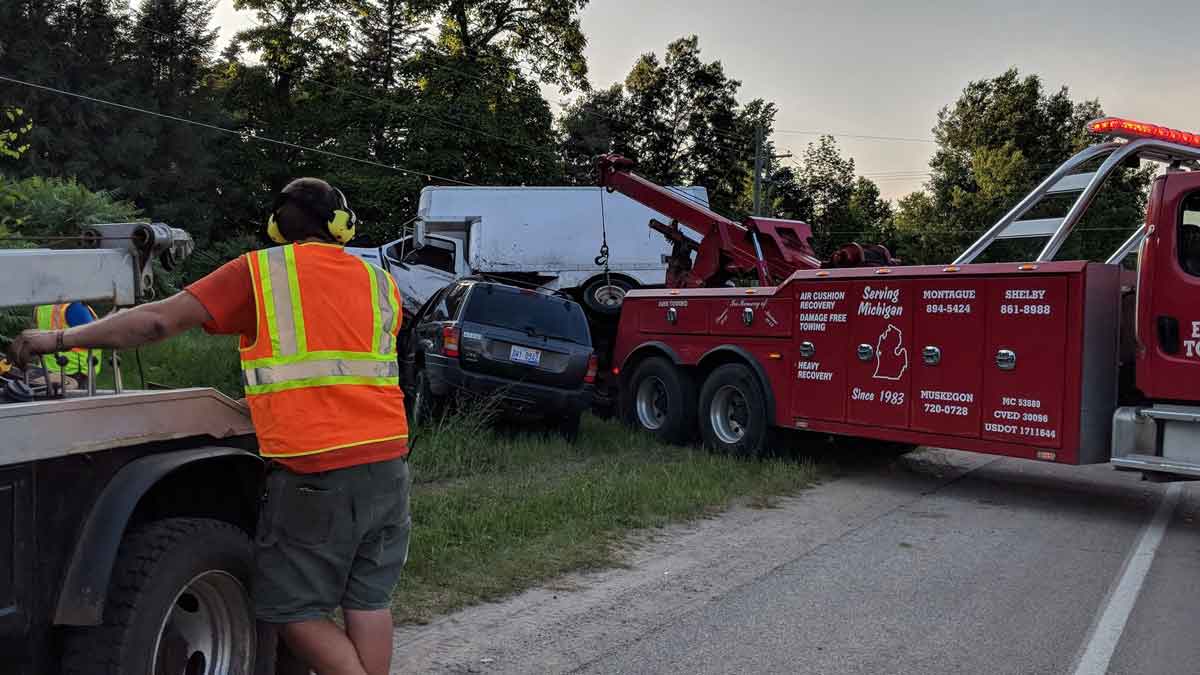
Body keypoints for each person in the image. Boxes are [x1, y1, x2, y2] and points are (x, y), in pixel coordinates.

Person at [8, 178, 411, 675]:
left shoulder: (261, 273)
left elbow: (156, 323)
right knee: (368, 600)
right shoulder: (378, 281)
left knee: (291, 609)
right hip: (388, 467)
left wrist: (59, 338)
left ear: (275, 228)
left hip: (317, 473)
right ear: (341, 226)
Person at [31, 302, 102, 389]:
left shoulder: (42, 306)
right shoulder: (75, 308)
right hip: (75, 372)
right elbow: (97, 336)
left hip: (48, 369)